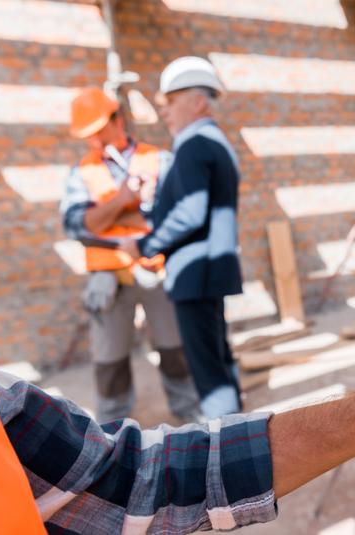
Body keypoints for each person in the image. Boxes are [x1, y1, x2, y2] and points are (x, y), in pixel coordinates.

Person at [0, 211, 355, 533]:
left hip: (168, 278)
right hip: (144, 276)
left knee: (189, 365)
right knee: (133, 367)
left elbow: (123, 478)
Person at [60, 87, 200, 423]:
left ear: (118, 119)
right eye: (88, 135)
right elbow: (76, 225)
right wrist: (122, 201)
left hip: (156, 271)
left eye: (99, 130)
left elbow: (180, 216)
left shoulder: (159, 160)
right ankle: (112, 425)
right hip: (108, 277)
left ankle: (189, 413)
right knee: (109, 359)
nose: (94, 140)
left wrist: (121, 212)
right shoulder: (82, 172)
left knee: (175, 348)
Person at [119, 57, 244, 420]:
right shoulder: (213, 142)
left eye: (171, 102)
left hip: (195, 271)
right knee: (217, 356)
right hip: (209, 269)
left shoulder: (194, 145)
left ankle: (224, 438)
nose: (164, 111)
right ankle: (236, 426)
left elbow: (190, 213)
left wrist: (143, 246)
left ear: (198, 101)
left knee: (207, 368)